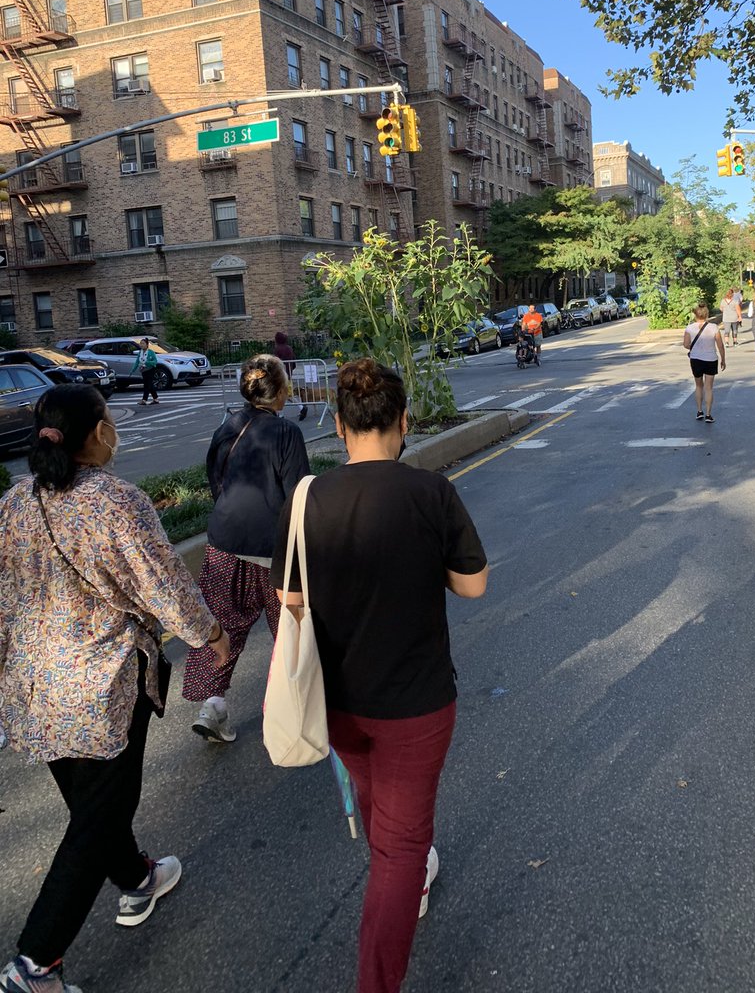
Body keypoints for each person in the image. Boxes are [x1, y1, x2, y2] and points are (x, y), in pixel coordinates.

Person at [0, 385, 229, 993]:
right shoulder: (116, 501)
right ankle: (35, 964)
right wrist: (210, 635)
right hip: (100, 688)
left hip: (34, 687)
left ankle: (135, 878)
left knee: (91, 806)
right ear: (99, 432)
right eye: (110, 420)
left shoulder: (15, 501)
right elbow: (164, 582)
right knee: (100, 814)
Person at [271, 359, 488, 993]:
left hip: (339, 700)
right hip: (417, 705)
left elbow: (289, 599)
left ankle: (403, 877)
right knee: (401, 850)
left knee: (376, 800)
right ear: (404, 422)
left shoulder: (306, 499)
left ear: (339, 426)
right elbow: (472, 585)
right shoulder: (431, 493)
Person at [183, 355, 310, 743]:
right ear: (281, 391)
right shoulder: (286, 432)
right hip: (274, 549)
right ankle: (293, 707)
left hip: (226, 541)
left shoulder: (227, 427)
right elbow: (298, 495)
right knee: (289, 628)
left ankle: (213, 705)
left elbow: (215, 481)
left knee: (224, 624)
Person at [683, 303, 726, 422]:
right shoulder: (714, 327)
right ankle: (708, 414)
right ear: (707, 314)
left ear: (695, 315)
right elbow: (720, 345)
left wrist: (695, 348)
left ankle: (699, 411)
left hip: (696, 359)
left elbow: (685, 344)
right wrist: (723, 359)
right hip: (711, 359)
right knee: (709, 387)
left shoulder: (689, 328)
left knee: (698, 386)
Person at [131, 337, 159, 406]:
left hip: (150, 369)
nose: (141, 345)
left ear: (147, 344)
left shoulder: (151, 352)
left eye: (143, 343)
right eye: (140, 343)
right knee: (149, 385)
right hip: (143, 370)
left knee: (147, 385)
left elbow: (155, 361)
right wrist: (133, 369)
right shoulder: (140, 352)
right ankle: (155, 399)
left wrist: (148, 362)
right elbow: (137, 361)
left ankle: (144, 400)